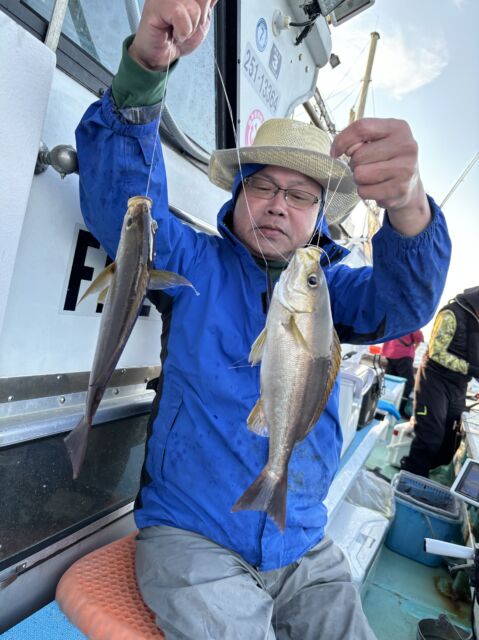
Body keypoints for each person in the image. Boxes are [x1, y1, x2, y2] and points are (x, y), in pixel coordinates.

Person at [75, 1, 451, 637]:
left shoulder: (333, 291)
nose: (278, 205)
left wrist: (409, 204)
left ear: (320, 216)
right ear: (237, 194)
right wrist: (144, 70)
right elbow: (127, 209)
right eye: (262, 187)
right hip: (192, 535)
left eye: (300, 194)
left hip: (303, 543)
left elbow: (405, 301)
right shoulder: (194, 261)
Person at [401, 287, 479, 478]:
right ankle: (411, 479)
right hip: (434, 380)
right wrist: (470, 369)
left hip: (459, 386)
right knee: (430, 436)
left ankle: (429, 478)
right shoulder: (451, 313)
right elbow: (436, 352)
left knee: (451, 440)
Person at [381, 330, 424, 418]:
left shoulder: (394, 321)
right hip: (403, 355)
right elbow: (419, 338)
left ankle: (385, 407)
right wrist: (413, 349)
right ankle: (400, 409)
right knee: (408, 383)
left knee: (390, 382)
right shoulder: (412, 322)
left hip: (390, 353)